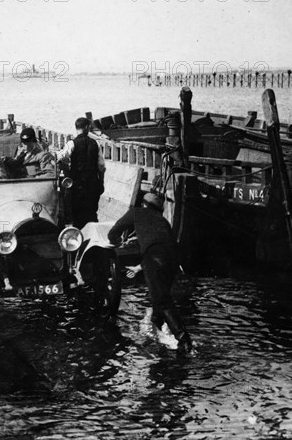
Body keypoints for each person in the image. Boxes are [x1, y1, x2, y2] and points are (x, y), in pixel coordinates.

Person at [108, 193, 192, 355]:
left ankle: (184, 341)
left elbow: (114, 231)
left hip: (154, 257)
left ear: (143, 204)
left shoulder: (136, 212)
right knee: (161, 296)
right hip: (173, 259)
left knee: (162, 301)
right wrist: (141, 267)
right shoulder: (163, 221)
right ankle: (157, 328)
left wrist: (114, 241)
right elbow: (162, 248)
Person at [56, 117, 106, 228]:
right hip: (93, 183)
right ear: (87, 127)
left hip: (77, 184)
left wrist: (66, 165)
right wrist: (101, 183)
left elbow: (60, 157)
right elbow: (101, 167)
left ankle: (79, 238)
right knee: (92, 213)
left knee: (77, 214)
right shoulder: (95, 143)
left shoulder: (72, 143)